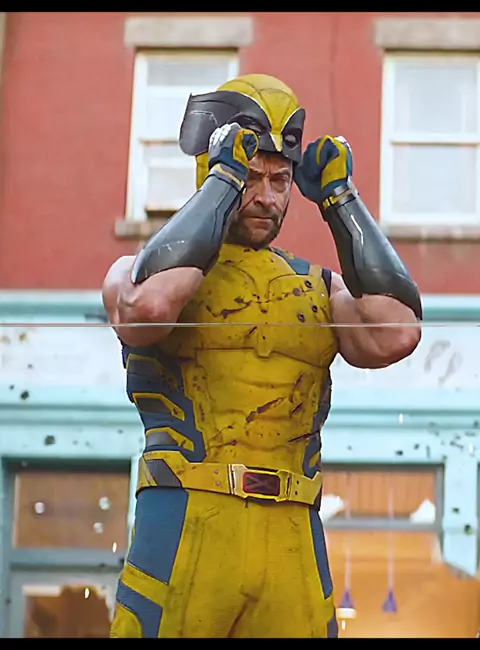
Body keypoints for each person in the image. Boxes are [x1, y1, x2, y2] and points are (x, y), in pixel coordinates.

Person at [102, 74, 422, 638]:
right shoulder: (141, 271)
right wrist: (222, 181)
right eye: (251, 176)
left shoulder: (320, 288)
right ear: (214, 170)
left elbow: (397, 332)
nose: (268, 197)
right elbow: (148, 308)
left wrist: (340, 199)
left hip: (292, 527)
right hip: (186, 516)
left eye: (280, 179)